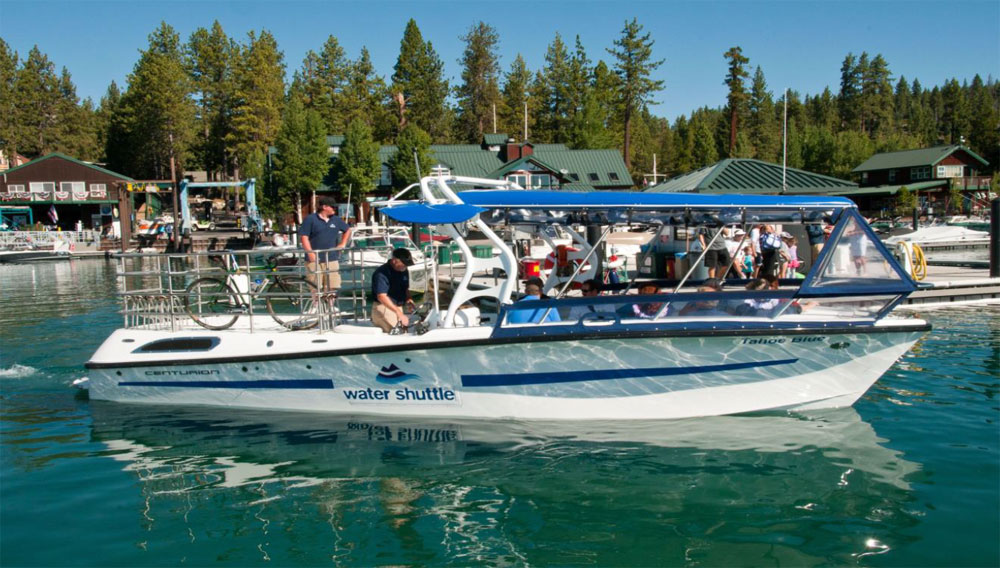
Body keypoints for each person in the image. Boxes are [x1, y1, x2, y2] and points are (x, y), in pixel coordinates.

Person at [299, 197, 352, 296]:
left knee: (332, 284)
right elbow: (304, 237)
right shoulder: (310, 219)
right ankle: (316, 306)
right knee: (315, 285)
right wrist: (310, 253)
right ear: (324, 207)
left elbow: (348, 230)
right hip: (314, 258)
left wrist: (343, 243)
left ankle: (331, 307)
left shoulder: (336, 220)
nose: (335, 209)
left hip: (331, 257)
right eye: (332, 207)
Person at [371, 248, 416, 333]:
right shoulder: (381, 273)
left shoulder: (403, 270)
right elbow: (381, 296)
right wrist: (398, 312)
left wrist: (409, 299)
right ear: (394, 260)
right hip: (384, 307)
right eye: (403, 264)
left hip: (397, 307)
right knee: (396, 333)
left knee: (403, 333)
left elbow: (405, 288)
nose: (405, 266)